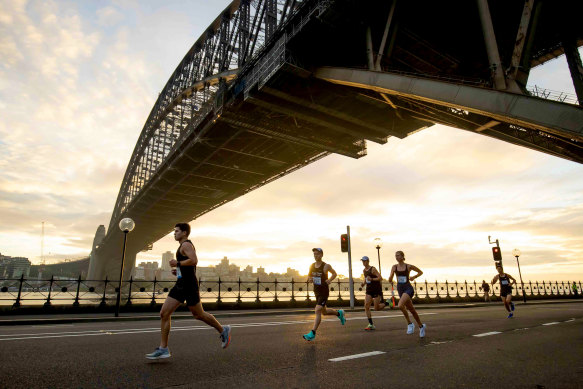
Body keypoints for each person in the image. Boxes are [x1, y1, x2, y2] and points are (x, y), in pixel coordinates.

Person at [146, 223, 231, 359]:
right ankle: (163, 348)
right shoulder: (181, 246)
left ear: (184, 233)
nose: (174, 233)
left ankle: (223, 329)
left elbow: (194, 260)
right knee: (164, 313)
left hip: (189, 285)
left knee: (199, 315)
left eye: (177, 231)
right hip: (181, 283)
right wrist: (179, 271)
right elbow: (188, 265)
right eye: (174, 231)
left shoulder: (186, 245)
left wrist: (178, 263)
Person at [302, 248, 346, 341]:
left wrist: (329, 280)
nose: (315, 256)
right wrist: (309, 279)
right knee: (324, 312)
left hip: (324, 292)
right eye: (314, 254)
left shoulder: (326, 266)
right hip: (316, 291)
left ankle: (312, 333)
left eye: (317, 254)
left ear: (321, 255)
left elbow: (334, 274)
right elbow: (309, 276)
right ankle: (339, 313)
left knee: (317, 310)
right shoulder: (311, 266)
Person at [388, 251, 426, 338]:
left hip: (408, 289)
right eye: (395, 256)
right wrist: (391, 276)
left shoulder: (408, 266)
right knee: (412, 310)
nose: (396, 257)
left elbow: (420, 272)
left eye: (398, 255)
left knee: (400, 305)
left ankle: (410, 323)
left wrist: (414, 277)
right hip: (400, 289)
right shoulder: (394, 267)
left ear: (402, 257)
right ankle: (421, 326)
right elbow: (390, 279)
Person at [360, 256, 393, 330]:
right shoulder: (364, 270)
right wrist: (363, 283)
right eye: (362, 261)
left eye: (364, 261)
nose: (363, 262)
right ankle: (371, 324)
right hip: (369, 290)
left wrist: (372, 279)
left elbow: (380, 278)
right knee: (366, 305)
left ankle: (388, 302)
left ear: (368, 261)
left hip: (376, 289)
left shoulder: (373, 269)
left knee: (376, 308)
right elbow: (366, 278)